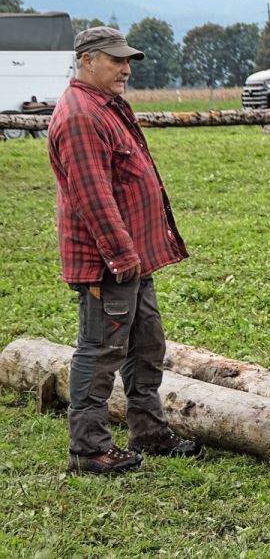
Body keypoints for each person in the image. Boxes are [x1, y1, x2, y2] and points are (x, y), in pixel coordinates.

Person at [46, 26, 202, 475]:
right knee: (100, 353)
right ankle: (89, 448)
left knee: (146, 345)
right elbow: (93, 197)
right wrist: (122, 257)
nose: (126, 68)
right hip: (109, 263)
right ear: (88, 60)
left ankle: (148, 430)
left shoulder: (106, 106)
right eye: (116, 60)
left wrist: (135, 259)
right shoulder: (81, 115)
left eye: (128, 60)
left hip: (130, 260)